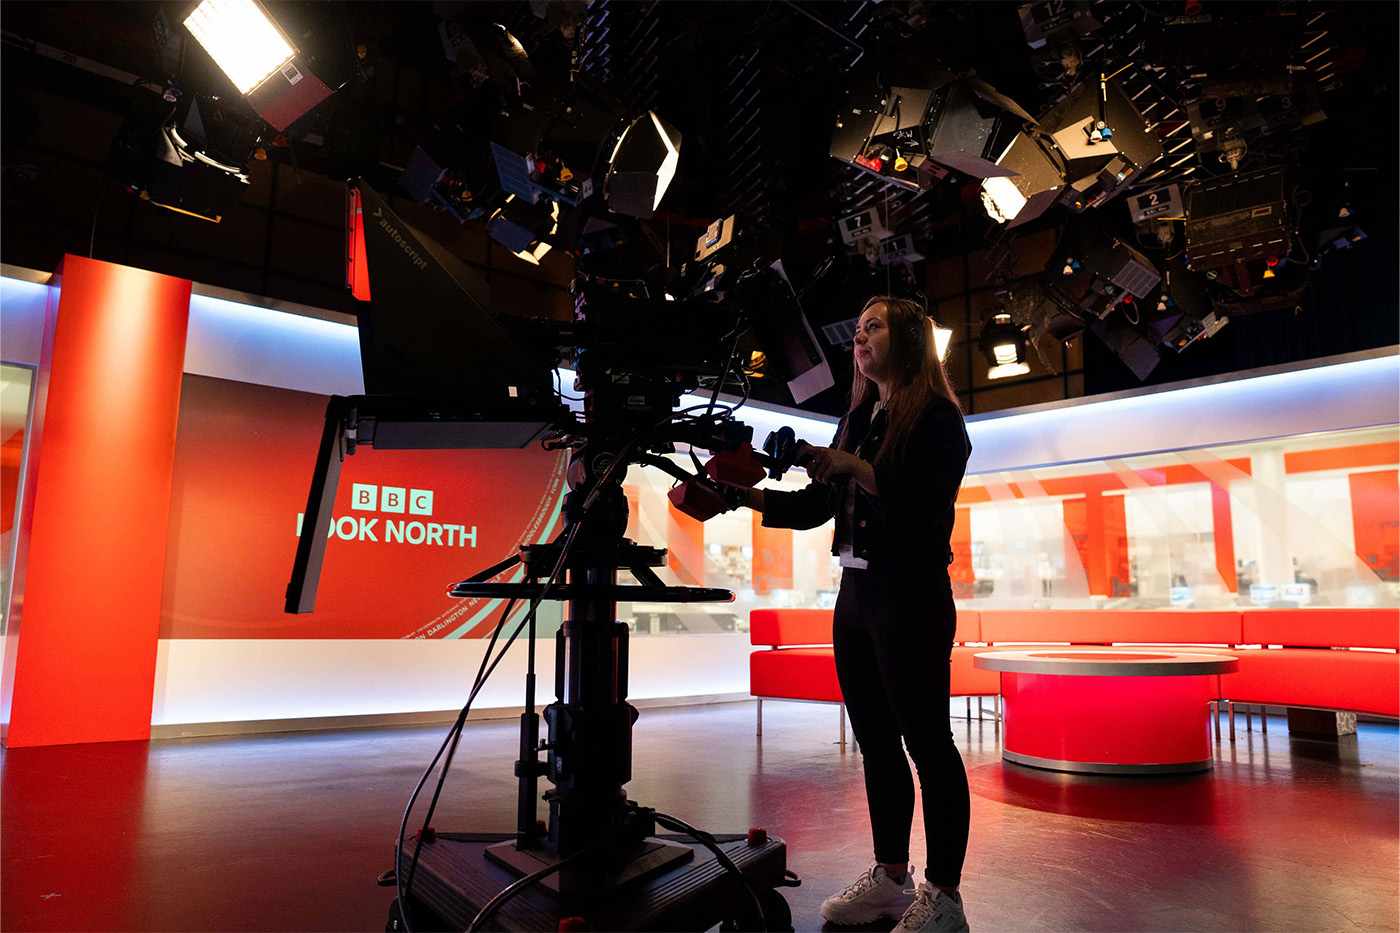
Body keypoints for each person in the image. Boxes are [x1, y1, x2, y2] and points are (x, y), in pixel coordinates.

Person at [739, 296, 973, 932]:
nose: (859, 337)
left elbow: (920, 508)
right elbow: (818, 505)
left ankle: (945, 898)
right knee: (876, 745)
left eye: (874, 326)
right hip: (857, 596)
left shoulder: (937, 418)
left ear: (910, 341)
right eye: (859, 327)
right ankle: (891, 878)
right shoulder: (861, 417)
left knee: (929, 745)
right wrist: (742, 495)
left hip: (911, 596)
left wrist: (855, 467)